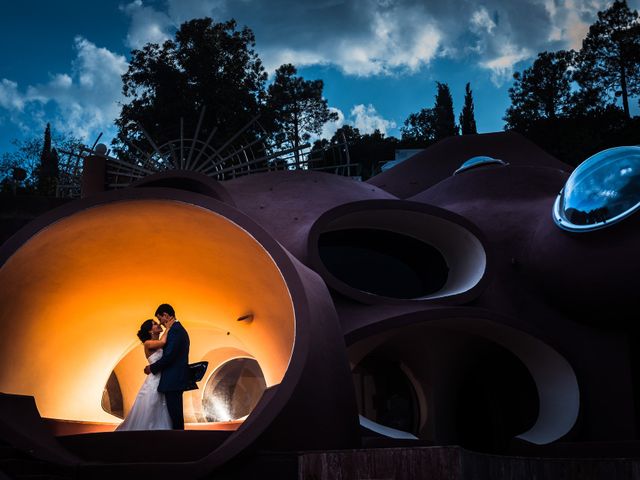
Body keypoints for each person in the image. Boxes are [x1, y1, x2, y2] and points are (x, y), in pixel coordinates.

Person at [115, 319, 173, 431]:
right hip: (154, 380)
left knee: (160, 407)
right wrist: (169, 327)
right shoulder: (148, 343)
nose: (159, 324)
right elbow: (163, 342)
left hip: (162, 378)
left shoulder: (159, 342)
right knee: (152, 405)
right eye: (155, 324)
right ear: (150, 331)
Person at [144, 303, 190, 430]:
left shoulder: (175, 330)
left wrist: (152, 368)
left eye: (160, 319)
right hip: (172, 380)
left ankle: (178, 445)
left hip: (173, 380)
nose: (160, 323)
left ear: (166, 315)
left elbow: (169, 357)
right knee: (173, 418)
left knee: (175, 419)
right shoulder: (175, 329)